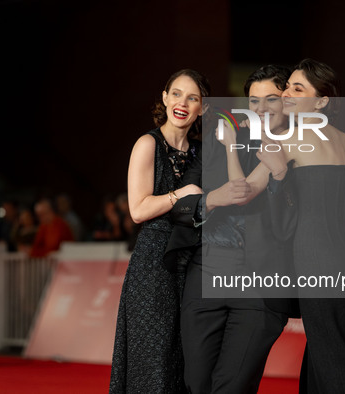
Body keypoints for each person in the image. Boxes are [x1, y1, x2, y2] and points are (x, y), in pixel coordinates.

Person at [253, 58, 345, 393]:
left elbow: (247, 191)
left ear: (321, 101)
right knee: (329, 355)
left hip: (317, 261)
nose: (286, 94)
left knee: (335, 362)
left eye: (297, 88)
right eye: (287, 86)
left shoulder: (291, 138)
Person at [175, 65, 297, 394]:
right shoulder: (223, 134)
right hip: (207, 273)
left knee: (231, 386)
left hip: (260, 281)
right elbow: (182, 202)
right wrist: (209, 199)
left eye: (271, 99)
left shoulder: (302, 141)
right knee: (196, 384)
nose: (261, 108)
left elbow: (244, 194)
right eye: (254, 101)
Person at [109, 69, 208, 394]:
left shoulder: (202, 151)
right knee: (152, 362)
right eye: (176, 94)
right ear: (165, 98)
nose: (183, 102)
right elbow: (137, 210)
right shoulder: (147, 144)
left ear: (202, 108)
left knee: (183, 363)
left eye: (192, 97)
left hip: (193, 265)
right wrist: (181, 193)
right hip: (153, 268)